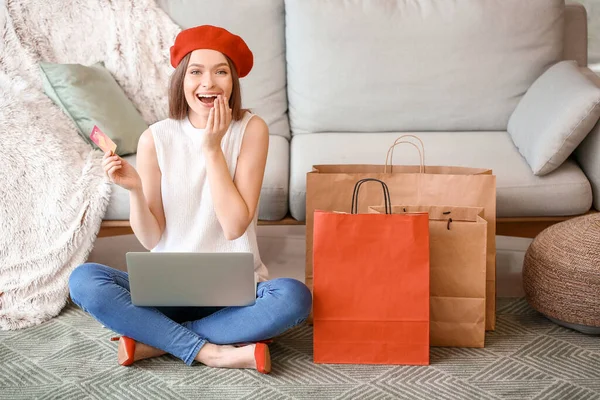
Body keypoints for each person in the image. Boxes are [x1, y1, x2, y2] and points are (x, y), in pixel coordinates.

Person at [68, 25, 313, 374]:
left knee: (294, 297)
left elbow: (233, 226)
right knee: (84, 280)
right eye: (196, 72)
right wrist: (135, 190)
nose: (208, 83)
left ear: (233, 82)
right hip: (167, 292)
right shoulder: (156, 137)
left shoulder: (251, 129)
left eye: (220, 72)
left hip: (238, 295)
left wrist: (212, 149)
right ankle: (212, 351)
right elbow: (152, 238)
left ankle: (155, 341)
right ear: (181, 80)